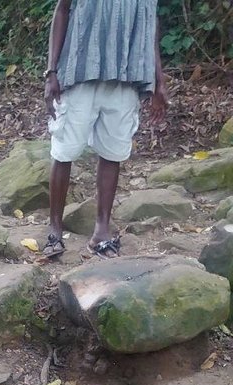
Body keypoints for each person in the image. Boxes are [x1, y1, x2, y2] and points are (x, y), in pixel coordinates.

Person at [42, 0, 168, 259]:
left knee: (113, 151)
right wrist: (51, 71)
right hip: (80, 72)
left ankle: (101, 230)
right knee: (65, 150)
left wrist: (159, 79)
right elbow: (63, 9)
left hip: (127, 75)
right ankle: (54, 228)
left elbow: (149, 23)